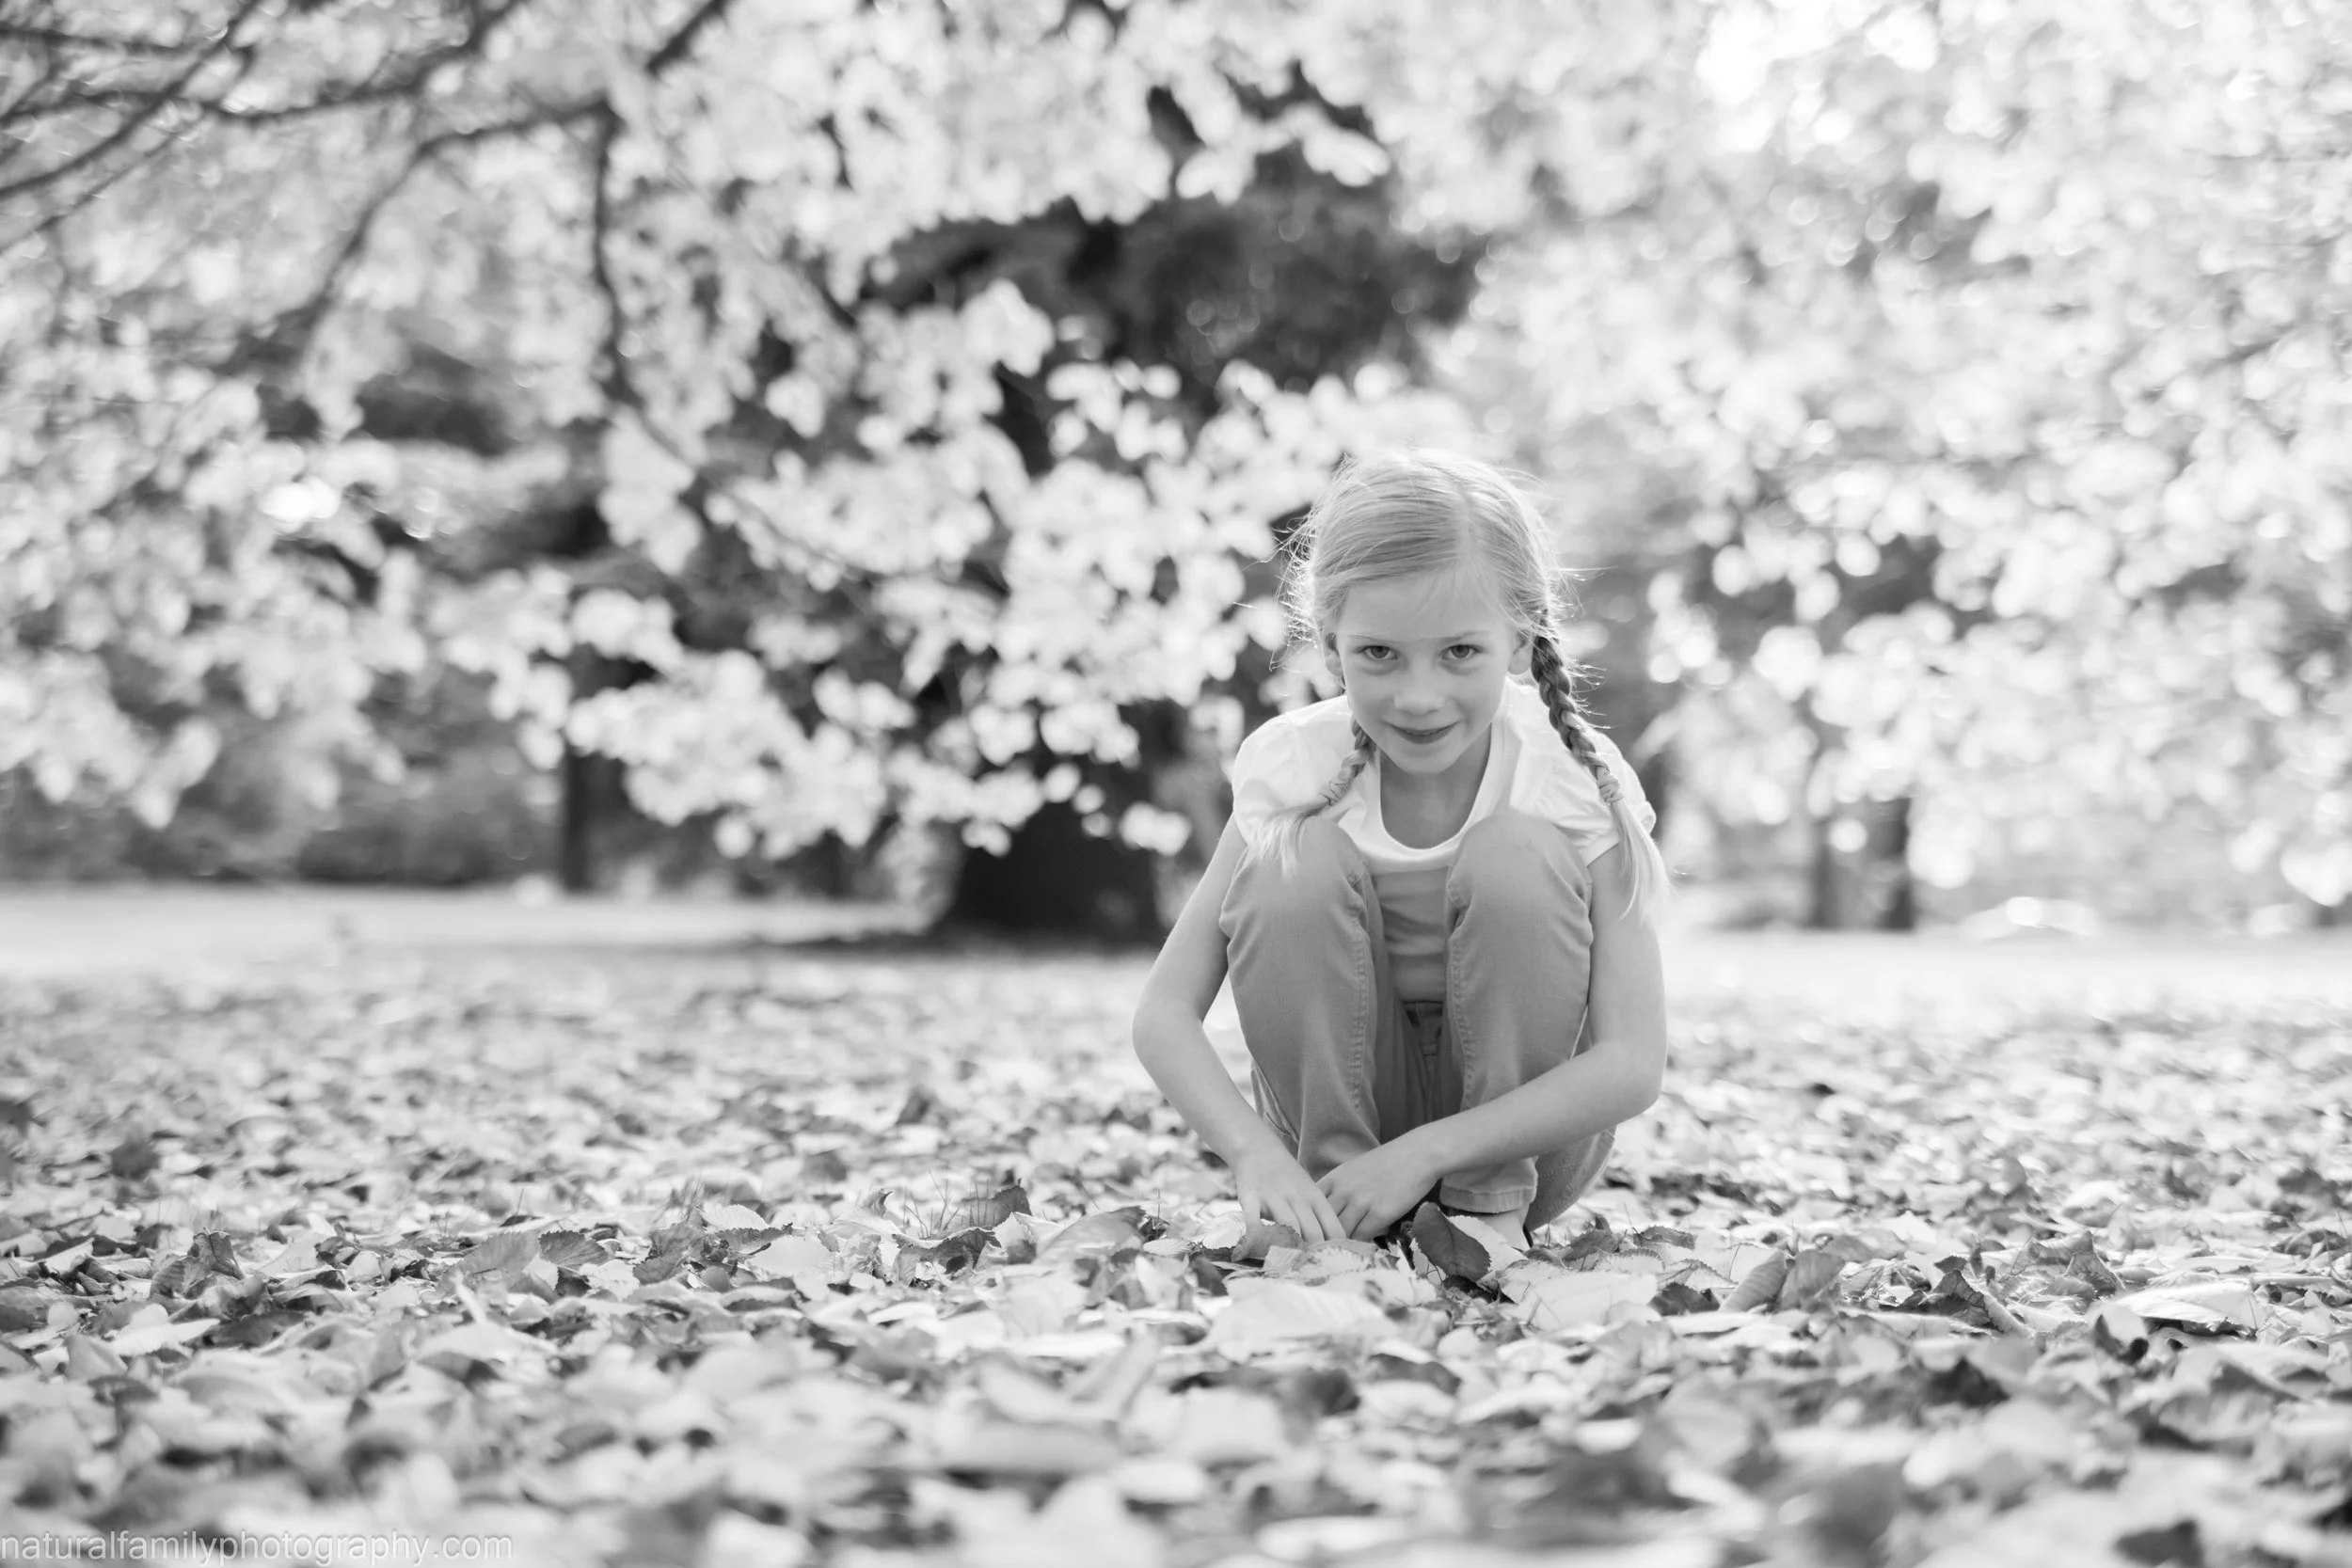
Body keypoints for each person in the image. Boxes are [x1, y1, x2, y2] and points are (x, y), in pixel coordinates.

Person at [1131, 449, 1672, 1249]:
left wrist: (1430, 1153)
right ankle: (1331, 1208)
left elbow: (1632, 1060)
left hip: (1522, 1148)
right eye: (1379, 653)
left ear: (1520, 641)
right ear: (1330, 645)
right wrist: (1254, 1154)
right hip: (1332, 1139)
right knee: (1291, 863)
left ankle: (1483, 1214)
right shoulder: (1295, 765)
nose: (1419, 697)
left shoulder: (1568, 774)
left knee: (1516, 854)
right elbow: (1164, 1013)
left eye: (1460, 651)